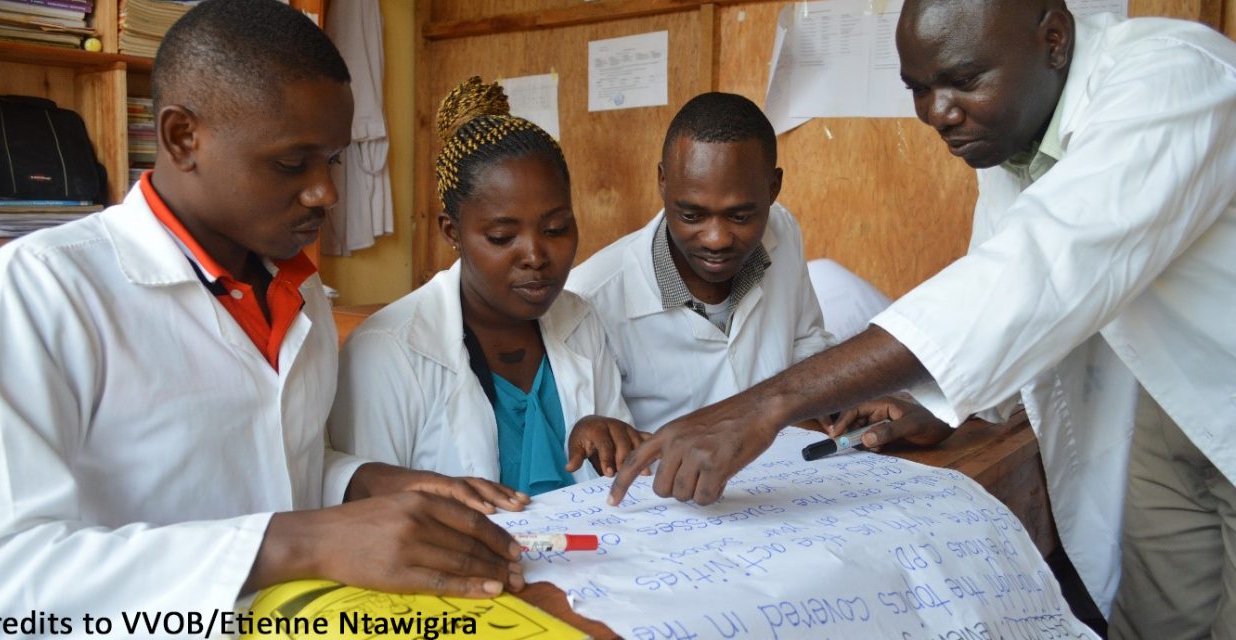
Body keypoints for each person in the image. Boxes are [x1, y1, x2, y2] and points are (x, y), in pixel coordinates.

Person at [609, 1, 1236, 636]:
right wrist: (942, 404)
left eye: (964, 81)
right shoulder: (1012, 137)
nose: (938, 113)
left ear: (1053, 40)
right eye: (919, 88)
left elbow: (1038, 276)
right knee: (1159, 617)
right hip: (1172, 400)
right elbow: (1012, 298)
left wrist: (762, 406)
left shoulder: (1176, 79)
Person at [0, 2, 523, 633]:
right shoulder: (46, 288)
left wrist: (361, 482)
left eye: (331, 161)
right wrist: (297, 544)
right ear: (181, 138)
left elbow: (262, 466)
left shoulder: (296, 289)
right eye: (291, 164)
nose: (325, 193)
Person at [329, 77, 646, 495]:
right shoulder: (387, 352)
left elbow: (620, 481)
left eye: (556, 228)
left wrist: (607, 437)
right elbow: (369, 521)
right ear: (452, 230)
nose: (535, 255)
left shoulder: (579, 319)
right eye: (501, 237)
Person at [565, 92, 833, 432]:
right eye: (692, 215)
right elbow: (604, 441)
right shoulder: (590, 300)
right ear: (663, 181)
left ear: (773, 188)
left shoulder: (782, 229)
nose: (716, 239)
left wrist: (838, 395)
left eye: (740, 216)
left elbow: (806, 343)